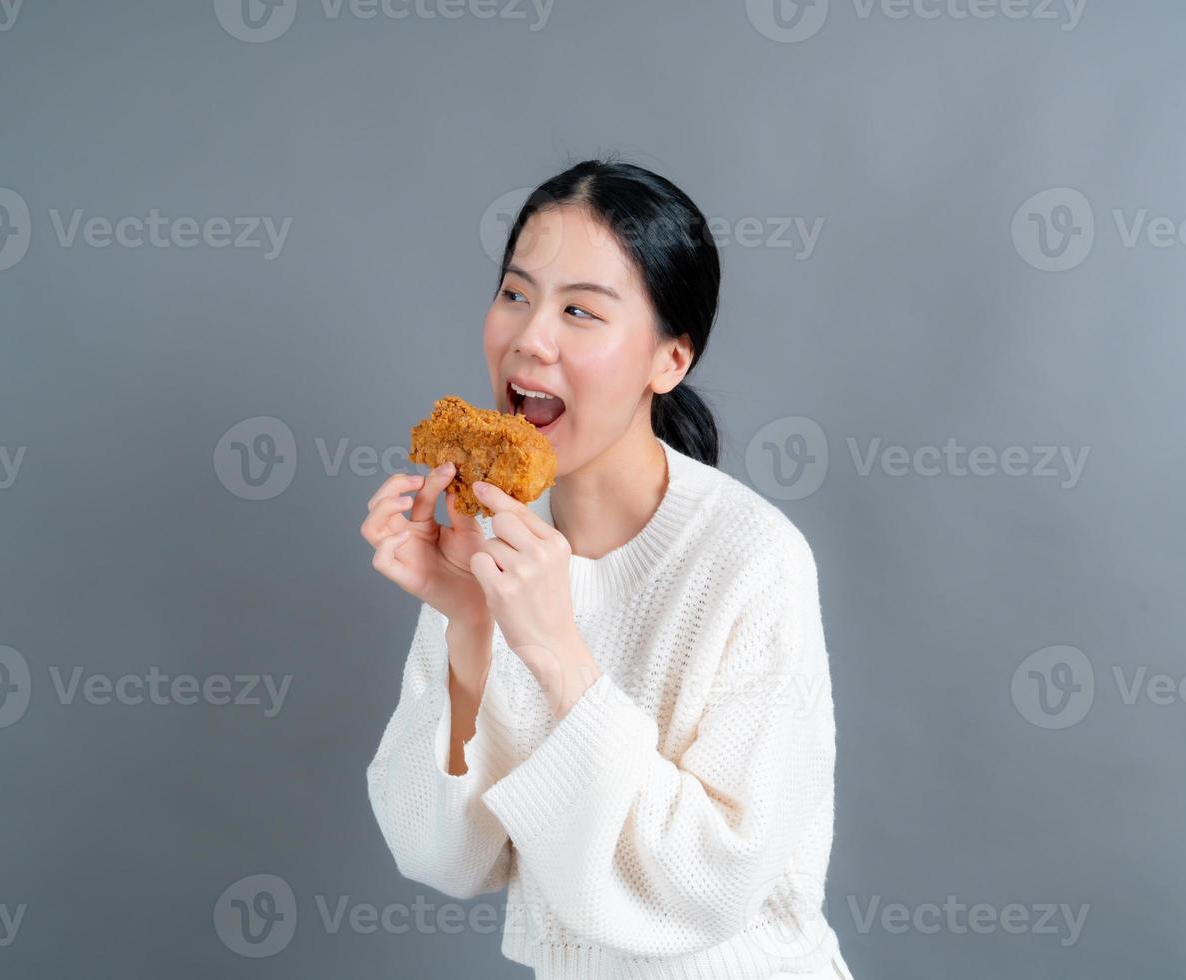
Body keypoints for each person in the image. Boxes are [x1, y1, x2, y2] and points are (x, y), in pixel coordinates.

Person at [361, 157, 854, 980]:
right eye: (515, 294)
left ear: (670, 362)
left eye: (581, 311)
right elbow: (441, 854)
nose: (530, 338)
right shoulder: (490, 547)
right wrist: (470, 631)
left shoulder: (751, 561)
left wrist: (557, 651)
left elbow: (706, 885)